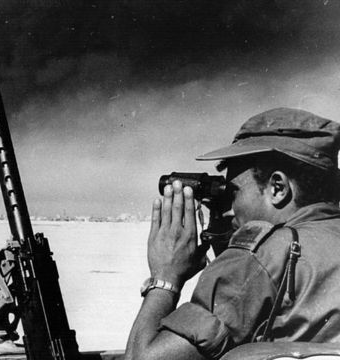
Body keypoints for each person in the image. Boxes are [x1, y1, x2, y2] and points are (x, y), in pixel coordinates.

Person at [125, 107, 340, 360]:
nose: (228, 208)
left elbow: (143, 358)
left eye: (233, 191)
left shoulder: (261, 257)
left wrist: (165, 278)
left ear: (277, 188)